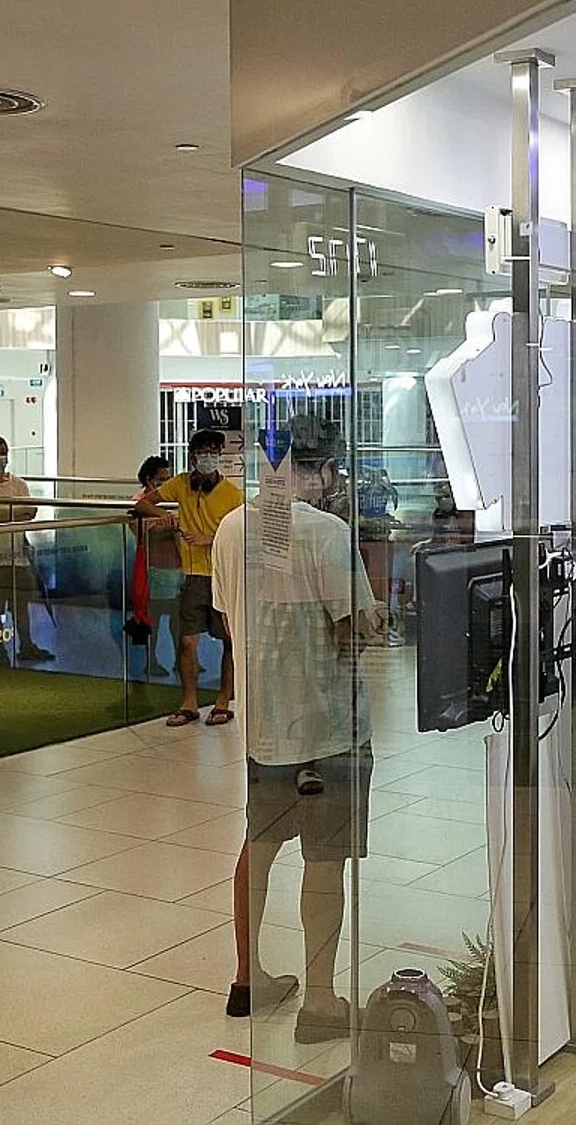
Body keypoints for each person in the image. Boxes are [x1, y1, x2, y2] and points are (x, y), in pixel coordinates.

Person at [214, 414, 380, 1035]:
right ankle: (319, 1001)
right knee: (325, 856)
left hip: (264, 726)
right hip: (328, 725)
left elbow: (229, 616)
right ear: (319, 468)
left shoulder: (232, 528)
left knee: (258, 846)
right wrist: (378, 616)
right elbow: (354, 632)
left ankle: (247, 978)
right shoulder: (326, 533)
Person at [135, 429, 243, 727]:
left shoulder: (234, 494)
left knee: (229, 642)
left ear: (219, 456)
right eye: (201, 452)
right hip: (192, 576)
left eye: (213, 452)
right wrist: (163, 514)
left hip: (221, 575)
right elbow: (142, 502)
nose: (207, 458)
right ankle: (190, 702)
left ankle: (223, 700)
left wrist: (211, 538)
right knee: (187, 642)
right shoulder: (181, 484)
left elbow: (244, 534)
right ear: (192, 455)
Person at [0, 435, 52, 665]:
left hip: (19, 556)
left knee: (21, 605)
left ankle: (26, 645)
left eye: (2, 452)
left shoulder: (19, 484)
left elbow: (31, 511)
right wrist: (14, 513)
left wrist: (2, 514)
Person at [135, 455, 180, 678]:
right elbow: (144, 534)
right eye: (161, 480)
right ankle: (150, 660)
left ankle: (181, 660)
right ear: (149, 480)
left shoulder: (172, 501)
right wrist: (170, 526)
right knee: (154, 619)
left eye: (169, 479)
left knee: (177, 619)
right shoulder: (139, 502)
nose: (166, 484)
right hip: (154, 571)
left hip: (176, 569)